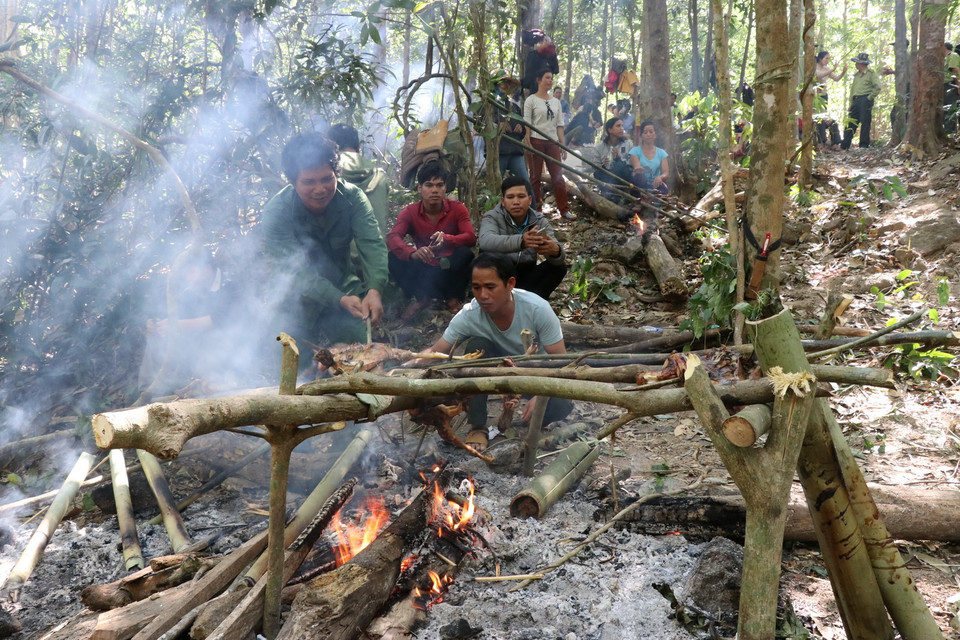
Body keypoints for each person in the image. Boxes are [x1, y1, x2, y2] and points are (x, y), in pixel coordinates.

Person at [426, 252, 574, 450]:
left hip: (536, 374)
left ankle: (530, 419)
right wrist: (404, 364)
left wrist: (542, 393)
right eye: (476, 287)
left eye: (490, 287)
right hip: (494, 373)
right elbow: (436, 352)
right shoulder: (470, 314)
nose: (482, 295)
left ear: (510, 283)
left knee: (563, 405)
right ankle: (478, 426)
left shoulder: (537, 309)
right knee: (476, 346)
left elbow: (560, 361)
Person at [259, 133, 387, 348]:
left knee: (358, 347)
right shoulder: (277, 212)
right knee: (292, 360)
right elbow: (294, 272)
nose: (320, 189)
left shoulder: (353, 198)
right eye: (309, 182)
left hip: (342, 284)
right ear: (292, 181)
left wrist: (375, 288)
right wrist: (337, 298)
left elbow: (372, 243)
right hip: (293, 293)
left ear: (337, 173)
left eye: (327, 179)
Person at [138, 248, 235, 395]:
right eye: (185, 274)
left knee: (215, 337)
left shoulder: (231, 282)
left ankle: (209, 384)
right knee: (157, 336)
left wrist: (176, 325)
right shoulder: (192, 289)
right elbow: (177, 314)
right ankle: (148, 392)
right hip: (197, 341)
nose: (187, 278)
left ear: (207, 269)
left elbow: (221, 320)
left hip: (231, 346)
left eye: (191, 272)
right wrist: (157, 324)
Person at [386, 162, 477, 319]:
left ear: (445, 187)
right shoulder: (410, 212)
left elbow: (470, 237)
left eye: (439, 185)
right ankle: (422, 298)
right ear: (420, 188)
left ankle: (453, 298)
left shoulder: (457, 208)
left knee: (465, 254)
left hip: (450, 272)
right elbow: (393, 238)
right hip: (425, 272)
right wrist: (413, 253)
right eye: (429, 185)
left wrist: (448, 239)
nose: (434, 190)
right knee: (393, 257)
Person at [478, 175, 567, 301]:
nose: (516, 202)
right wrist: (521, 242)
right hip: (498, 275)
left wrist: (555, 251)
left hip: (525, 274)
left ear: (529, 199)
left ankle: (530, 304)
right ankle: (495, 301)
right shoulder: (492, 216)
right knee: (485, 257)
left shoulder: (539, 220)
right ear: (503, 201)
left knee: (559, 267)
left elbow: (558, 252)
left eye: (521, 197)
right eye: (510, 197)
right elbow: (485, 241)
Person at [523, 68, 575, 220]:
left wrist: (562, 145)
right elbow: (527, 123)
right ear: (539, 80)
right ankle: (536, 211)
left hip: (552, 142)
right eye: (547, 77)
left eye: (551, 78)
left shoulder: (556, 102)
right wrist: (528, 142)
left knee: (558, 178)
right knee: (535, 178)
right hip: (535, 140)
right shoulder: (531, 100)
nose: (550, 80)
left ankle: (564, 209)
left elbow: (559, 125)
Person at [326, 124, 389, 235]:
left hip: (340, 250)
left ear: (331, 146)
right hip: (377, 247)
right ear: (358, 146)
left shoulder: (328, 172)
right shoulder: (380, 175)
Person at [486, 69, 531, 187]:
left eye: (507, 84)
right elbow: (481, 126)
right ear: (494, 85)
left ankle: (531, 206)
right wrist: (497, 125)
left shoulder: (513, 106)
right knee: (496, 186)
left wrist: (520, 128)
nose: (505, 86)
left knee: (525, 184)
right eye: (502, 83)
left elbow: (522, 128)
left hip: (515, 151)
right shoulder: (487, 105)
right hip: (498, 152)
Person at [583, 117, 633, 203]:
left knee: (619, 166)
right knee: (597, 173)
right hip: (606, 177)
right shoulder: (599, 147)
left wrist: (618, 159)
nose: (622, 128)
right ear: (610, 130)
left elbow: (631, 163)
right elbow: (595, 167)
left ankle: (614, 195)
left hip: (623, 177)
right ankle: (610, 195)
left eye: (622, 126)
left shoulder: (628, 144)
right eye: (618, 126)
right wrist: (604, 165)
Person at [841, 53, 882, 150]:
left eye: (857, 62)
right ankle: (844, 145)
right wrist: (851, 103)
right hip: (856, 100)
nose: (855, 64)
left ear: (862, 64)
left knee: (865, 122)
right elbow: (853, 90)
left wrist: (869, 98)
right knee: (851, 122)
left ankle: (863, 145)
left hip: (865, 99)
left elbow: (878, 87)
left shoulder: (871, 74)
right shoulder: (856, 75)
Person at [629, 120, 670, 194]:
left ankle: (653, 201)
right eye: (645, 132)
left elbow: (666, 173)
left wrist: (660, 177)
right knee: (638, 178)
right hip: (640, 185)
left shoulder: (662, 153)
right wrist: (638, 169)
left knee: (664, 188)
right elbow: (637, 167)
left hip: (655, 184)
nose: (648, 134)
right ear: (641, 135)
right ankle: (640, 200)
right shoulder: (635, 151)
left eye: (651, 132)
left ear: (655, 134)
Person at [943, 42, 960, 134]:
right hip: (945, 85)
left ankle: (951, 133)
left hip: (951, 84)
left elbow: (955, 71)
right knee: (945, 108)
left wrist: (958, 86)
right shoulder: (945, 58)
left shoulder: (952, 55)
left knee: (951, 108)